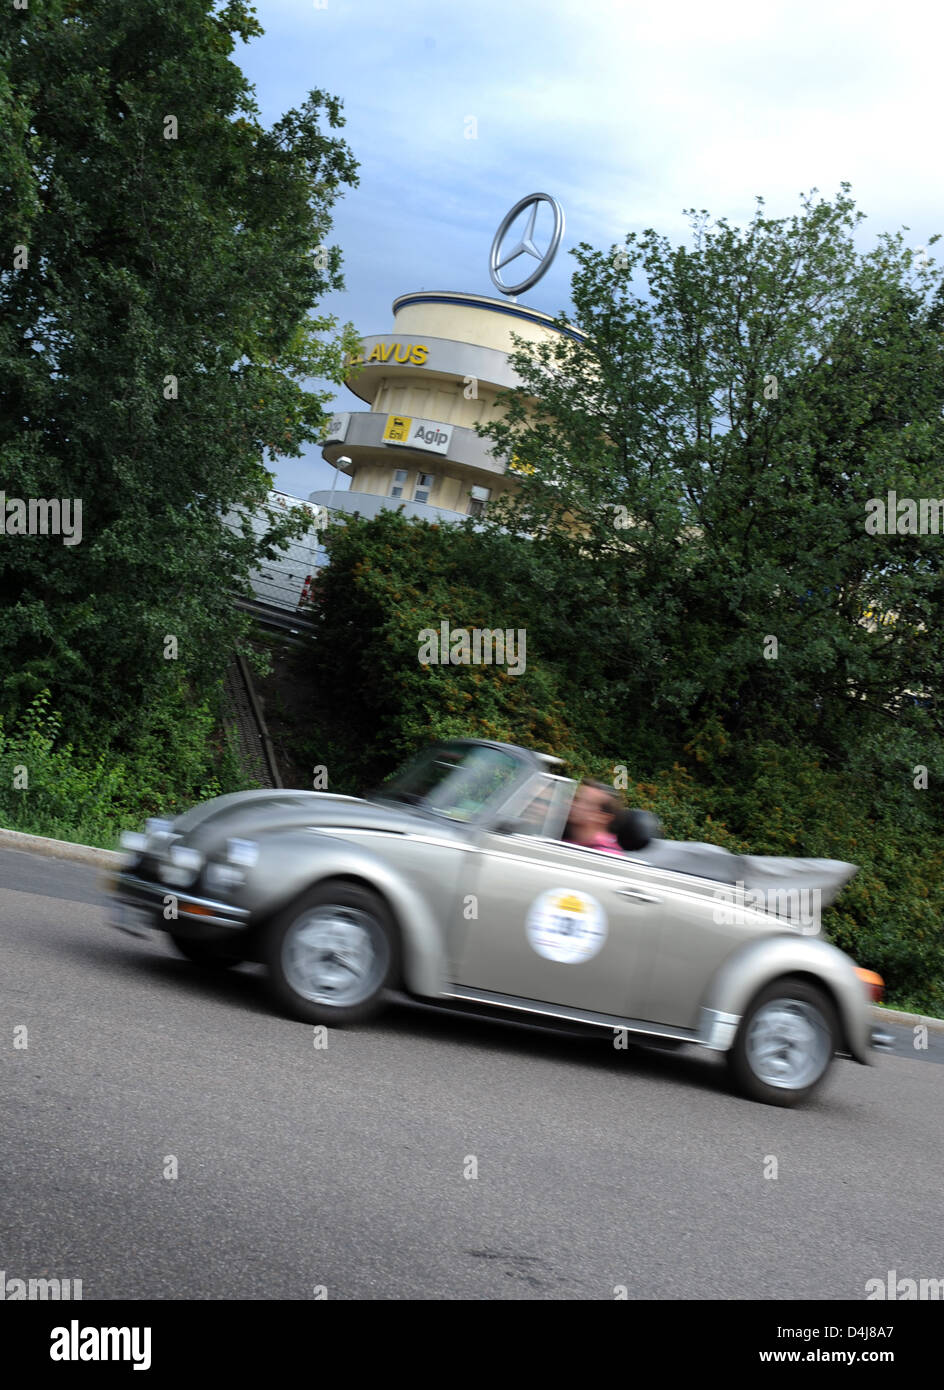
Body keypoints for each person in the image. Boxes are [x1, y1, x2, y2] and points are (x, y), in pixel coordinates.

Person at [563, 779, 624, 854]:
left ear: (603, 817)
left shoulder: (605, 855)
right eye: (574, 798)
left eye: (579, 801)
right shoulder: (567, 839)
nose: (569, 802)